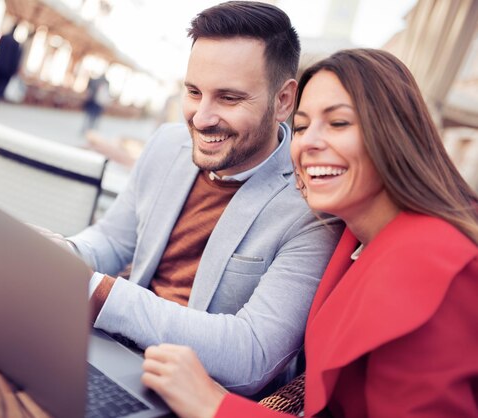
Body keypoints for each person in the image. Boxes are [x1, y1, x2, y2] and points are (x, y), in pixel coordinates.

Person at [141, 48, 478, 418]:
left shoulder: (436, 264)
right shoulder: (356, 236)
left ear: (396, 134)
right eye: (301, 127)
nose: (308, 143)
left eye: (338, 123)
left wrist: (215, 406)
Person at [59, 1, 342, 395]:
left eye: (228, 98)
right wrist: (63, 252)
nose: (200, 117)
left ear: (283, 100)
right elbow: (113, 239)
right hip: (103, 351)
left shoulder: (312, 207)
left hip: (191, 394)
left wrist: (102, 295)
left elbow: (254, 354)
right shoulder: (166, 144)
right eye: (193, 91)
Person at [0, 24, 22, 100]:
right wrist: (14, 70)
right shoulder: (16, 44)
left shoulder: (4, 38)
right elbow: (16, 58)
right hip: (8, 68)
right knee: (3, 83)